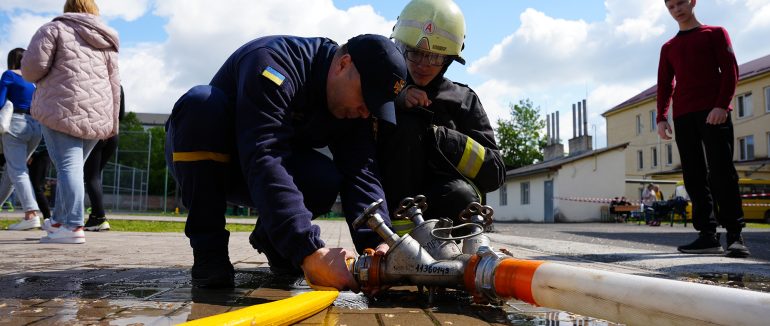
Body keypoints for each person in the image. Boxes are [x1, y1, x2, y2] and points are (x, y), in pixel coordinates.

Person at [165, 34, 407, 290]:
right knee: (201, 104)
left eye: (374, 106)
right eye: (365, 98)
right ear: (343, 64)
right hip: (206, 161)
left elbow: (361, 173)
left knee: (324, 179)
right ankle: (209, 252)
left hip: (262, 169)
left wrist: (380, 242)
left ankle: (274, 242)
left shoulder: (353, 108)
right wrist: (308, 249)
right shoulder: (272, 62)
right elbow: (264, 154)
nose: (365, 112)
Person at [378, 0, 505, 225]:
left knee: (460, 194)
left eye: (435, 56)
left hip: (448, 211)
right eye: (415, 53)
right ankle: (398, 249)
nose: (423, 65)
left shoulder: (463, 100)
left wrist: (441, 138)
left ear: (449, 59)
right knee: (406, 126)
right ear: (400, 46)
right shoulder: (381, 91)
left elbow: (495, 174)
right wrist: (394, 102)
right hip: (392, 213)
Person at [21, 0, 120, 244]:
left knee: (68, 167)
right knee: (73, 168)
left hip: (61, 108)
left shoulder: (53, 30)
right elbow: (114, 83)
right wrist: (113, 122)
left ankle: (73, 226)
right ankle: (58, 221)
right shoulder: (107, 39)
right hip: (99, 113)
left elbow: (32, 70)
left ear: (68, 8)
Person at [657, 0, 748, 257]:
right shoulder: (669, 47)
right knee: (693, 176)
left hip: (714, 113)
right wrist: (662, 117)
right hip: (684, 116)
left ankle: (735, 235)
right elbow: (665, 84)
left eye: (681, 3)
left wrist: (722, 105)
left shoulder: (715, 33)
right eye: (671, 6)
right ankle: (707, 235)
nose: (677, 9)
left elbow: (730, 72)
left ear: (693, 2)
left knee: (721, 172)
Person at [1, 48, 44, 231]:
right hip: (36, 127)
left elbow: (0, 101)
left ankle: (31, 213)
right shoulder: (36, 81)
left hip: (16, 124)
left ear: (11, 60)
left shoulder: (9, 75)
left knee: (17, 170)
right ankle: (30, 212)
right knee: (11, 172)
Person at [83, 86, 124, 231]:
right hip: (113, 133)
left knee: (91, 177)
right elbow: (121, 113)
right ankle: (95, 216)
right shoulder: (118, 85)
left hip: (96, 132)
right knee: (94, 176)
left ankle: (100, 217)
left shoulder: (93, 82)